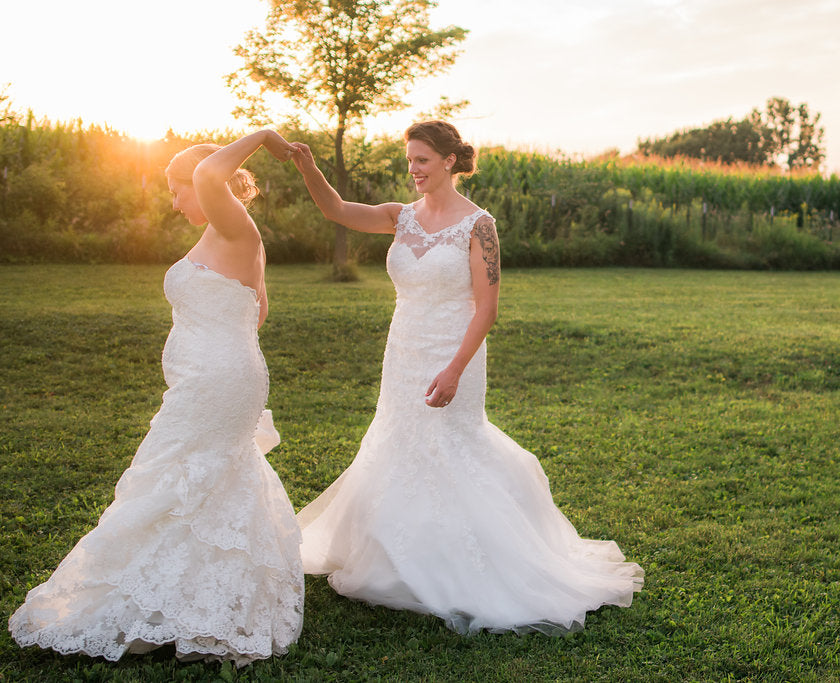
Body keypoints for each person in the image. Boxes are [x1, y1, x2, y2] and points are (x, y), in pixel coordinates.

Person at [293, 120, 643, 635]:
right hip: (405, 347)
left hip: (454, 351)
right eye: (409, 160)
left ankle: (469, 565)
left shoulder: (479, 225)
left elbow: (487, 307)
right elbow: (337, 211)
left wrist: (455, 368)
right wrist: (308, 167)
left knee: (451, 447)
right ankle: (399, 558)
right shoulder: (401, 217)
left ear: (450, 162)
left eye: (422, 161)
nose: (413, 169)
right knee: (402, 442)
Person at [8, 131, 304, 665]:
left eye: (176, 188)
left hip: (216, 382)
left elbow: (212, 177)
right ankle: (186, 601)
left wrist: (262, 135)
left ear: (201, 181)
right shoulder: (226, 235)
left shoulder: (234, 223)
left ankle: (185, 606)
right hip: (214, 376)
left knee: (176, 474)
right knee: (195, 480)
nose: (174, 201)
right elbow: (257, 310)